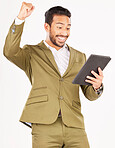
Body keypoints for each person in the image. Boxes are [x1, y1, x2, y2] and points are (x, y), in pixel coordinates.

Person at [3, 2, 104, 148]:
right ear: (47, 27)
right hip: (44, 126)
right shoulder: (32, 53)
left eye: (68, 28)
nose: (64, 32)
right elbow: (9, 52)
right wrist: (20, 19)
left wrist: (97, 86)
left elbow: (89, 94)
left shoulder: (80, 57)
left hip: (74, 126)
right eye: (59, 27)